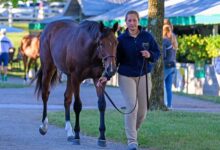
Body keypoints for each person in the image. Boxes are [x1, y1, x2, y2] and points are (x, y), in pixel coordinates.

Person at [97, 10, 160, 150]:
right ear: (126, 22)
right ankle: (132, 141)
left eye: (134, 20)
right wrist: (106, 76)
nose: (132, 23)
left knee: (142, 112)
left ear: (138, 21)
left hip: (144, 75)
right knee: (132, 107)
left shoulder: (147, 36)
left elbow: (157, 53)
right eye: (129, 20)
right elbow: (115, 61)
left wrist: (149, 54)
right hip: (126, 76)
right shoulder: (121, 39)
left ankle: (133, 131)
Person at [163, 24, 177, 109]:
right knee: (168, 88)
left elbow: (163, 55)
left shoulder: (164, 41)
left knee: (159, 85)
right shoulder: (173, 40)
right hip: (173, 66)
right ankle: (169, 105)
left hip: (166, 66)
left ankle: (163, 104)